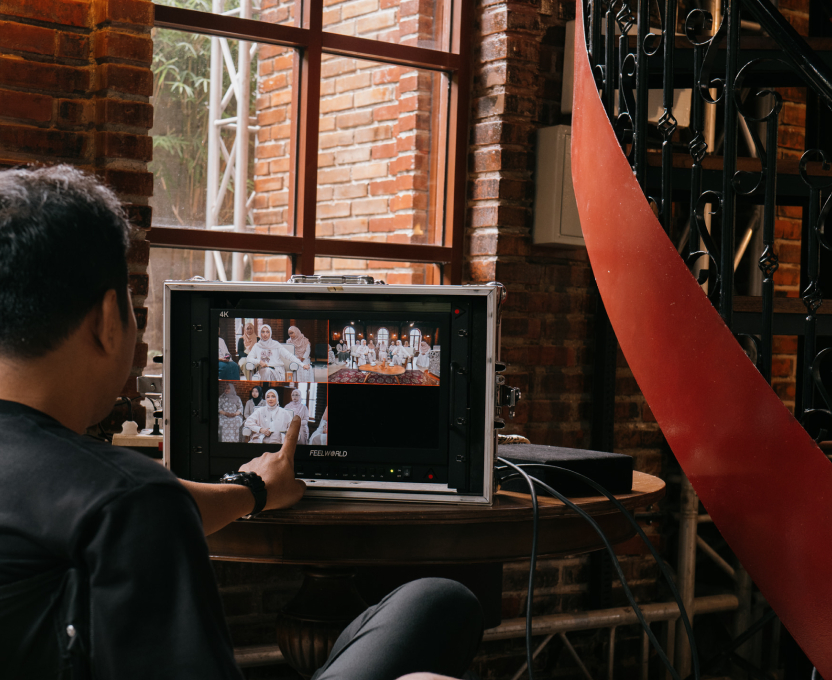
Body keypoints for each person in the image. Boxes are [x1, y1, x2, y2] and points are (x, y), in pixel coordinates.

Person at [0, 166, 482, 679]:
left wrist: (252, 489)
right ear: (106, 320)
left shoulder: (108, 499)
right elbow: (135, 507)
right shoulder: (129, 503)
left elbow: (122, 506)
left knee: (437, 600)